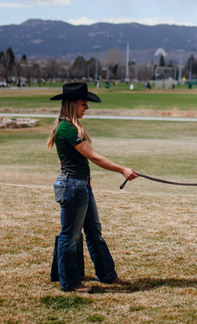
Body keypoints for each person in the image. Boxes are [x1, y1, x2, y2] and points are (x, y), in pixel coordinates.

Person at [47, 82, 138, 293]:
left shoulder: (70, 127)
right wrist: (123, 169)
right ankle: (69, 283)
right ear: (72, 104)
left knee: (93, 231)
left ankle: (106, 274)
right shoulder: (67, 128)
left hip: (80, 185)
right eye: (83, 104)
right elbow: (95, 158)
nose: (86, 108)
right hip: (74, 186)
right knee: (70, 236)